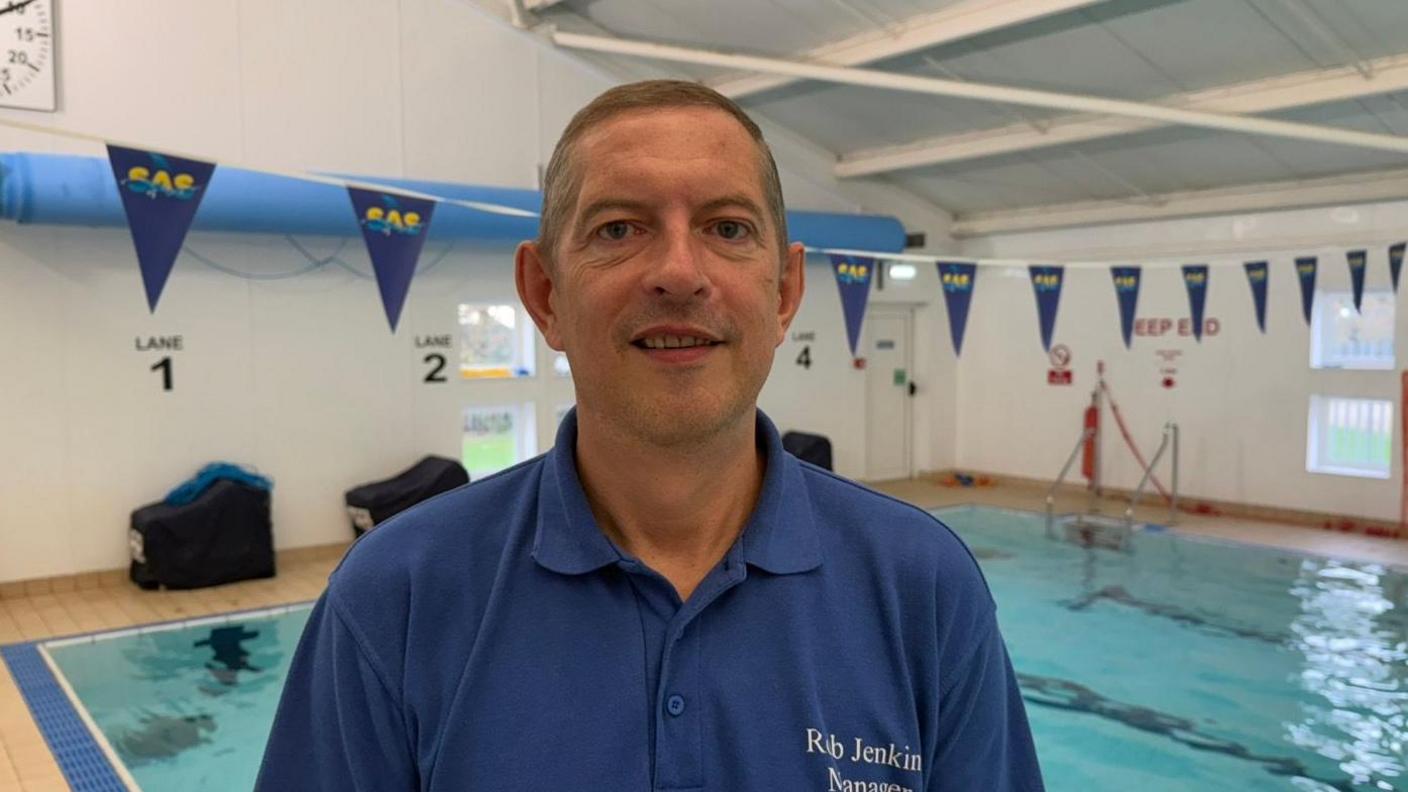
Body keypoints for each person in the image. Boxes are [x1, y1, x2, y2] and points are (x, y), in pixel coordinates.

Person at [256, 79, 1043, 791]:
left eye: (728, 227)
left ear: (785, 292)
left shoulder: (922, 588)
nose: (677, 271)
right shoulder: (396, 596)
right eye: (619, 228)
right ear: (544, 293)